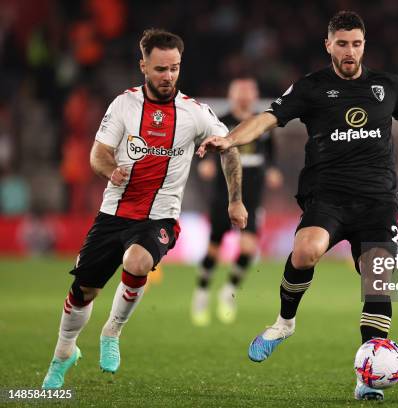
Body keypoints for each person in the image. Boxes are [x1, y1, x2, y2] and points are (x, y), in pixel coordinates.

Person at [200, 11, 398, 401]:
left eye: (356, 44)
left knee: (376, 280)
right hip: (327, 196)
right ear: (328, 45)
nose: (350, 51)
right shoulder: (311, 88)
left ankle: (367, 376)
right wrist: (230, 139)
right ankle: (284, 323)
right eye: (342, 43)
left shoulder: (388, 86)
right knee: (306, 250)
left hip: (379, 201)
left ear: (365, 45)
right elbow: (265, 118)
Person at [41, 28, 247, 389]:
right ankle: (64, 353)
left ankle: (112, 332)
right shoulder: (123, 104)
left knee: (138, 263)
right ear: (143, 66)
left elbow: (230, 147)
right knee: (82, 292)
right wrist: (111, 170)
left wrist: (235, 198)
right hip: (114, 214)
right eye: (160, 69)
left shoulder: (195, 113)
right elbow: (98, 154)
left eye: (174, 68)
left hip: (159, 217)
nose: (168, 76)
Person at [192, 78, 283, 326]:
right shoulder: (219, 121)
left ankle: (227, 291)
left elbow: (271, 154)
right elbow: (206, 149)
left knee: (249, 248)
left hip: (253, 196)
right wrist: (205, 164)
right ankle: (202, 292)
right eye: (239, 92)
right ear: (232, 95)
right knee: (214, 248)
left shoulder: (261, 124)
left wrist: (273, 169)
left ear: (254, 95)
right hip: (225, 195)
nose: (244, 96)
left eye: (248, 92)